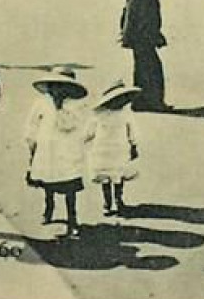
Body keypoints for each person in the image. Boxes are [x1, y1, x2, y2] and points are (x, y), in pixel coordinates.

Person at [24, 67, 89, 237]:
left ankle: (72, 219)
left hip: (67, 151)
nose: (57, 91)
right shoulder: (41, 103)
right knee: (48, 182)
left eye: (62, 87)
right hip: (46, 149)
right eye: (54, 86)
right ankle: (49, 208)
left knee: (69, 186)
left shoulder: (75, 106)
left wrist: (62, 109)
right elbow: (32, 124)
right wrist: (31, 144)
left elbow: (78, 126)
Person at [86, 80, 142, 217]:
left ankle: (118, 200)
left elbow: (132, 130)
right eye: (117, 99)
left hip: (120, 150)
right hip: (102, 150)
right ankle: (107, 203)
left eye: (123, 99)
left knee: (118, 176)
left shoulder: (126, 114)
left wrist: (134, 145)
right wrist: (84, 140)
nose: (120, 102)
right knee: (105, 178)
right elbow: (89, 131)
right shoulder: (99, 115)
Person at [120, 0, 168, 111]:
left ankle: (141, 102)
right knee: (151, 70)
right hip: (141, 37)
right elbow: (131, 14)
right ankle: (152, 103)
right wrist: (130, 36)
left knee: (144, 69)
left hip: (144, 36)